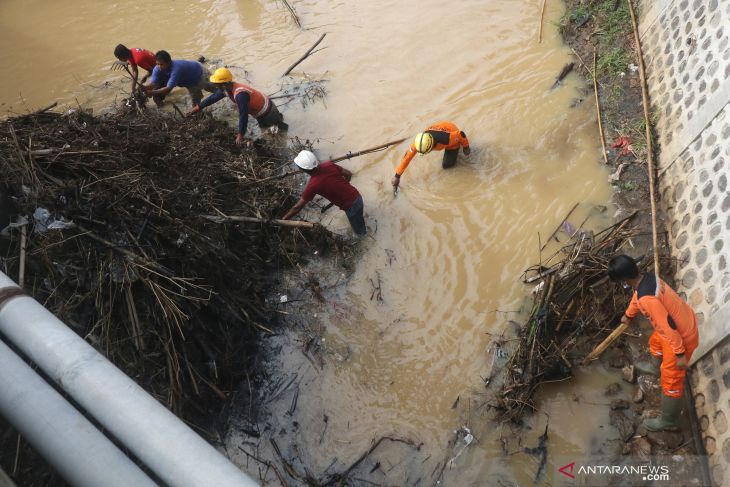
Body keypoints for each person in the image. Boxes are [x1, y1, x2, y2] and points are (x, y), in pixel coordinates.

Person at [607, 254, 699, 432]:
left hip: (682, 336)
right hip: (685, 320)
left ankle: (669, 421)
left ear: (623, 279)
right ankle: (655, 367)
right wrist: (628, 314)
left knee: (671, 381)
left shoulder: (647, 299)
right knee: (655, 342)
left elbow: (668, 328)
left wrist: (680, 354)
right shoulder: (646, 279)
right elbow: (637, 298)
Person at [186, 67, 288, 147]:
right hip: (261, 111)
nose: (216, 86)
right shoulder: (226, 89)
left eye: (217, 84)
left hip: (268, 112)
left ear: (224, 84)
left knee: (280, 130)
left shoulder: (240, 94)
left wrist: (240, 135)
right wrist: (198, 107)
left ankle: (285, 140)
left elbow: (243, 115)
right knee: (267, 129)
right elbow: (213, 98)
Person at [282, 151, 366, 236]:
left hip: (351, 207)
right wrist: (345, 185)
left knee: (360, 233)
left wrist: (283, 220)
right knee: (358, 218)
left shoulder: (312, 185)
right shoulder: (329, 165)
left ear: (301, 169)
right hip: (357, 196)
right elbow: (348, 174)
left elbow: (297, 207)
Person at [391, 121, 471, 189]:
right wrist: (397, 176)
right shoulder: (419, 143)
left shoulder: (447, 139)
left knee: (447, 166)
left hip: (451, 131)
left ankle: (457, 152)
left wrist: (466, 147)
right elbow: (406, 158)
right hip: (440, 127)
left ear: (432, 146)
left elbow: (461, 134)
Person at [143, 50, 215, 107]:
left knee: (217, 90)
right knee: (195, 102)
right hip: (189, 83)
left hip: (200, 74)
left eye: (161, 64)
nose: (159, 66)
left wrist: (152, 92)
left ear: (168, 62)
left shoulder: (176, 69)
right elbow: (153, 83)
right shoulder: (157, 69)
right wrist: (144, 88)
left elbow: (168, 88)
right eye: (157, 64)